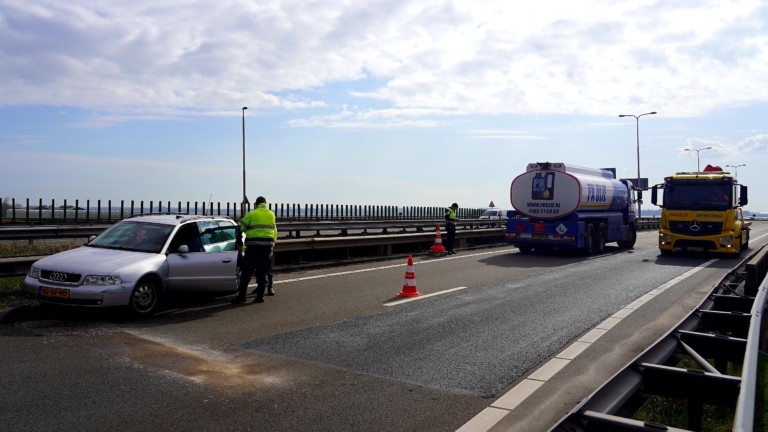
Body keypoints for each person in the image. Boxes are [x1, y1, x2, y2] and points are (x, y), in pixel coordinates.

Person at [232, 196, 277, 304]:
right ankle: (260, 297)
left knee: (246, 271)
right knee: (262, 272)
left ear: (255, 204)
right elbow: (274, 232)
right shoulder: (271, 214)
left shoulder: (252, 214)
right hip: (266, 248)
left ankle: (242, 297)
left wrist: (239, 245)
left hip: (253, 248)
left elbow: (239, 228)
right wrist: (272, 247)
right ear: (265, 203)